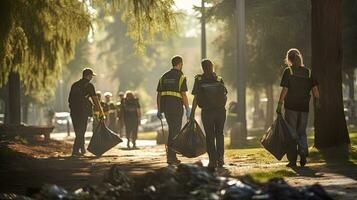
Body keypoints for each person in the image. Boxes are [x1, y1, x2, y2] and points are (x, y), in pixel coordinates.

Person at [277, 48, 320, 167]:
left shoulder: (289, 71)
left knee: (291, 133)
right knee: (302, 132)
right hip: (304, 107)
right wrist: (317, 102)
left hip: (291, 107)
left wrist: (279, 104)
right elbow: (315, 90)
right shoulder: (308, 72)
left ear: (289, 59)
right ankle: (303, 151)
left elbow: (285, 89)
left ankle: (292, 161)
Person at [191, 59, 227, 169]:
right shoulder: (219, 79)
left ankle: (212, 160)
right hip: (220, 111)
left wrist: (192, 113)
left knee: (210, 136)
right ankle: (220, 157)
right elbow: (225, 96)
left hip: (207, 112)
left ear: (203, 68)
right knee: (219, 134)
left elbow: (196, 98)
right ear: (212, 67)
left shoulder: (199, 79)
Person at [157, 55, 191, 165]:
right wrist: (187, 109)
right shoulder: (181, 77)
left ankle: (171, 156)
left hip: (166, 108)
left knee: (172, 130)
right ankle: (171, 156)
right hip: (176, 108)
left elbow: (159, 95)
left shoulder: (163, 76)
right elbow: (183, 94)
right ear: (180, 64)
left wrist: (159, 109)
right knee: (174, 132)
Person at [68, 68, 104, 157]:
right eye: (91, 76)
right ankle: (75, 150)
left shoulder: (74, 85)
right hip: (83, 111)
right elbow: (95, 100)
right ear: (88, 76)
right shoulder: (89, 86)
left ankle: (81, 148)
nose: (92, 77)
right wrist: (101, 112)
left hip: (73, 111)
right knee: (81, 130)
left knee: (78, 131)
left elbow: (69, 99)